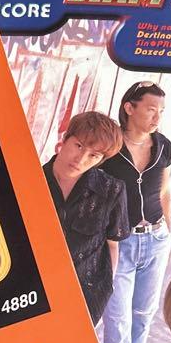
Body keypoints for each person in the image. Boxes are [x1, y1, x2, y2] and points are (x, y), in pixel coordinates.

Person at [100, 81, 171, 343]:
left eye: (161, 111)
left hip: (156, 240)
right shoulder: (110, 147)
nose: (157, 117)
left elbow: (164, 192)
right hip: (121, 243)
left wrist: (169, 234)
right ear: (129, 108)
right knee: (117, 322)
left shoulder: (163, 146)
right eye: (151, 109)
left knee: (143, 316)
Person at [43, 112, 130, 324]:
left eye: (94, 155)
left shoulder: (112, 190)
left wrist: (104, 292)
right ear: (65, 138)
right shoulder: (29, 181)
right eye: (79, 146)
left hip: (85, 297)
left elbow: (112, 244)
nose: (81, 159)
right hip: (36, 295)